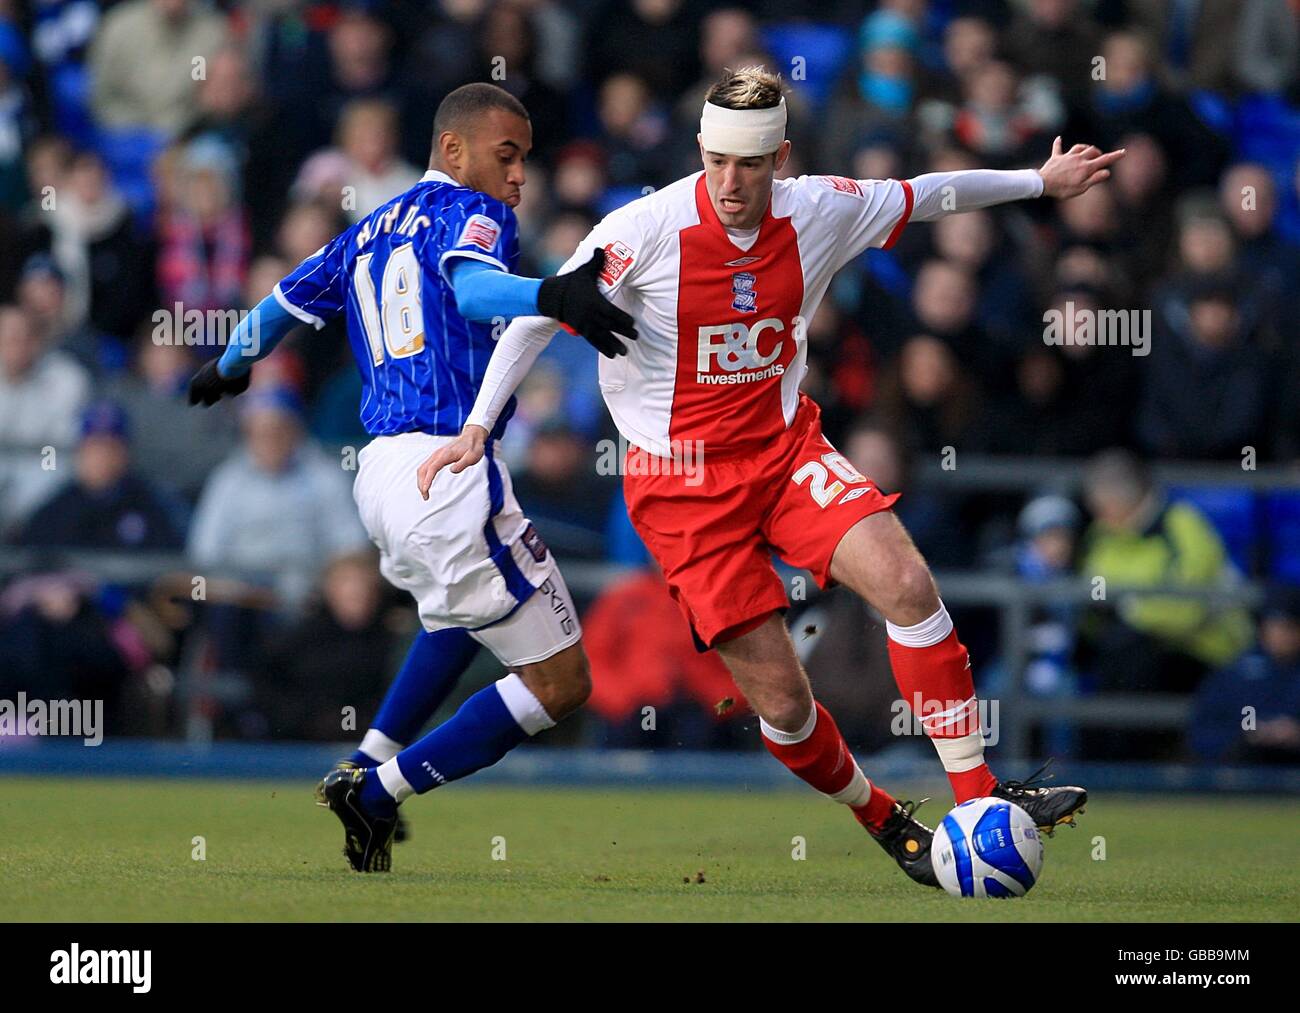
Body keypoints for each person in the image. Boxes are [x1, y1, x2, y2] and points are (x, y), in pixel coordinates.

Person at [421, 67, 1120, 889]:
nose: (729, 182)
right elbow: (540, 314)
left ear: (780, 158)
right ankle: (886, 819)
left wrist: (1040, 180)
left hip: (786, 450)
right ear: (699, 152)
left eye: (749, 165)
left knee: (905, 581)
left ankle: (975, 796)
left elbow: (928, 193)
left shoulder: (820, 207)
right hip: (679, 485)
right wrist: (477, 427)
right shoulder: (642, 230)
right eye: (715, 161)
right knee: (784, 705)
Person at [187, 83, 635, 872]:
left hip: (381, 477)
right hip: (449, 465)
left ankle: (364, 761)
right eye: (507, 154)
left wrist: (225, 367)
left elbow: (274, 311)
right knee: (563, 683)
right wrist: (551, 293)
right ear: (454, 150)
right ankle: (383, 790)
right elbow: (468, 287)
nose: (519, 176)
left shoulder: (364, 232)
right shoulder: (477, 212)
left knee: (456, 623)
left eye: (526, 160)